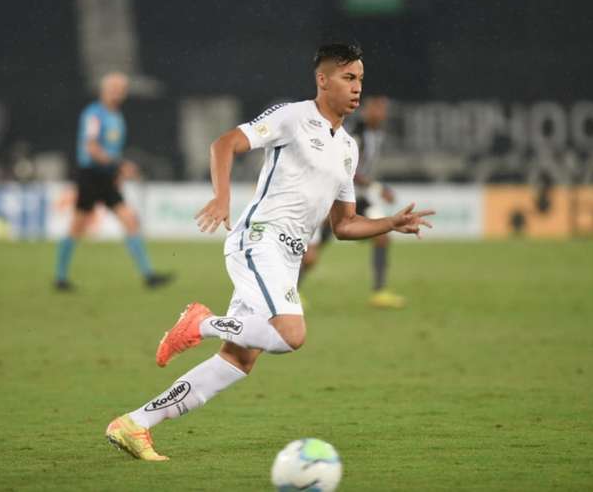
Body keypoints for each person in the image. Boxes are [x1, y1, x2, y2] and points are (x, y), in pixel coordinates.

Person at [104, 44, 434, 460]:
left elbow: (344, 224)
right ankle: (202, 323)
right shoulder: (292, 117)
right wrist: (222, 197)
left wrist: (390, 223)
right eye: (349, 78)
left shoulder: (347, 148)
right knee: (290, 335)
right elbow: (224, 144)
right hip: (259, 240)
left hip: (287, 255)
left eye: (361, 80)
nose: (357, 89)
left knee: (238, 361)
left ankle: (135, 424)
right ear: (323, 80)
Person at [54, 72, 172, 290]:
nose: (117, 93)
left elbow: (111, 149)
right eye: (113, 88)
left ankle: (149, 275)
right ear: (103, 90)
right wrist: (121, 165)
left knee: (129, 220)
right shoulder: (94, 115)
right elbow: (91, 148)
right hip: (90, 175)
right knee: (77, 226)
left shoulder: (117, 116)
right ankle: (60, 277)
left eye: (121, 89)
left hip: (107, 178)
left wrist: (116, 174)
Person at [300, 96, 405, 308]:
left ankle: (379, 292)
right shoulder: (355, 132)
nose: (380, 113)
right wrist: (378, 187)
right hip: (334, 197)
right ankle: (289, 293)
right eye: (376, 108)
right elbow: (347, 168)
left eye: (383, 109)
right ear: (366, 110)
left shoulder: (378, 134)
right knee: (310, 256)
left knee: (382, 237)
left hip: (359, 198)